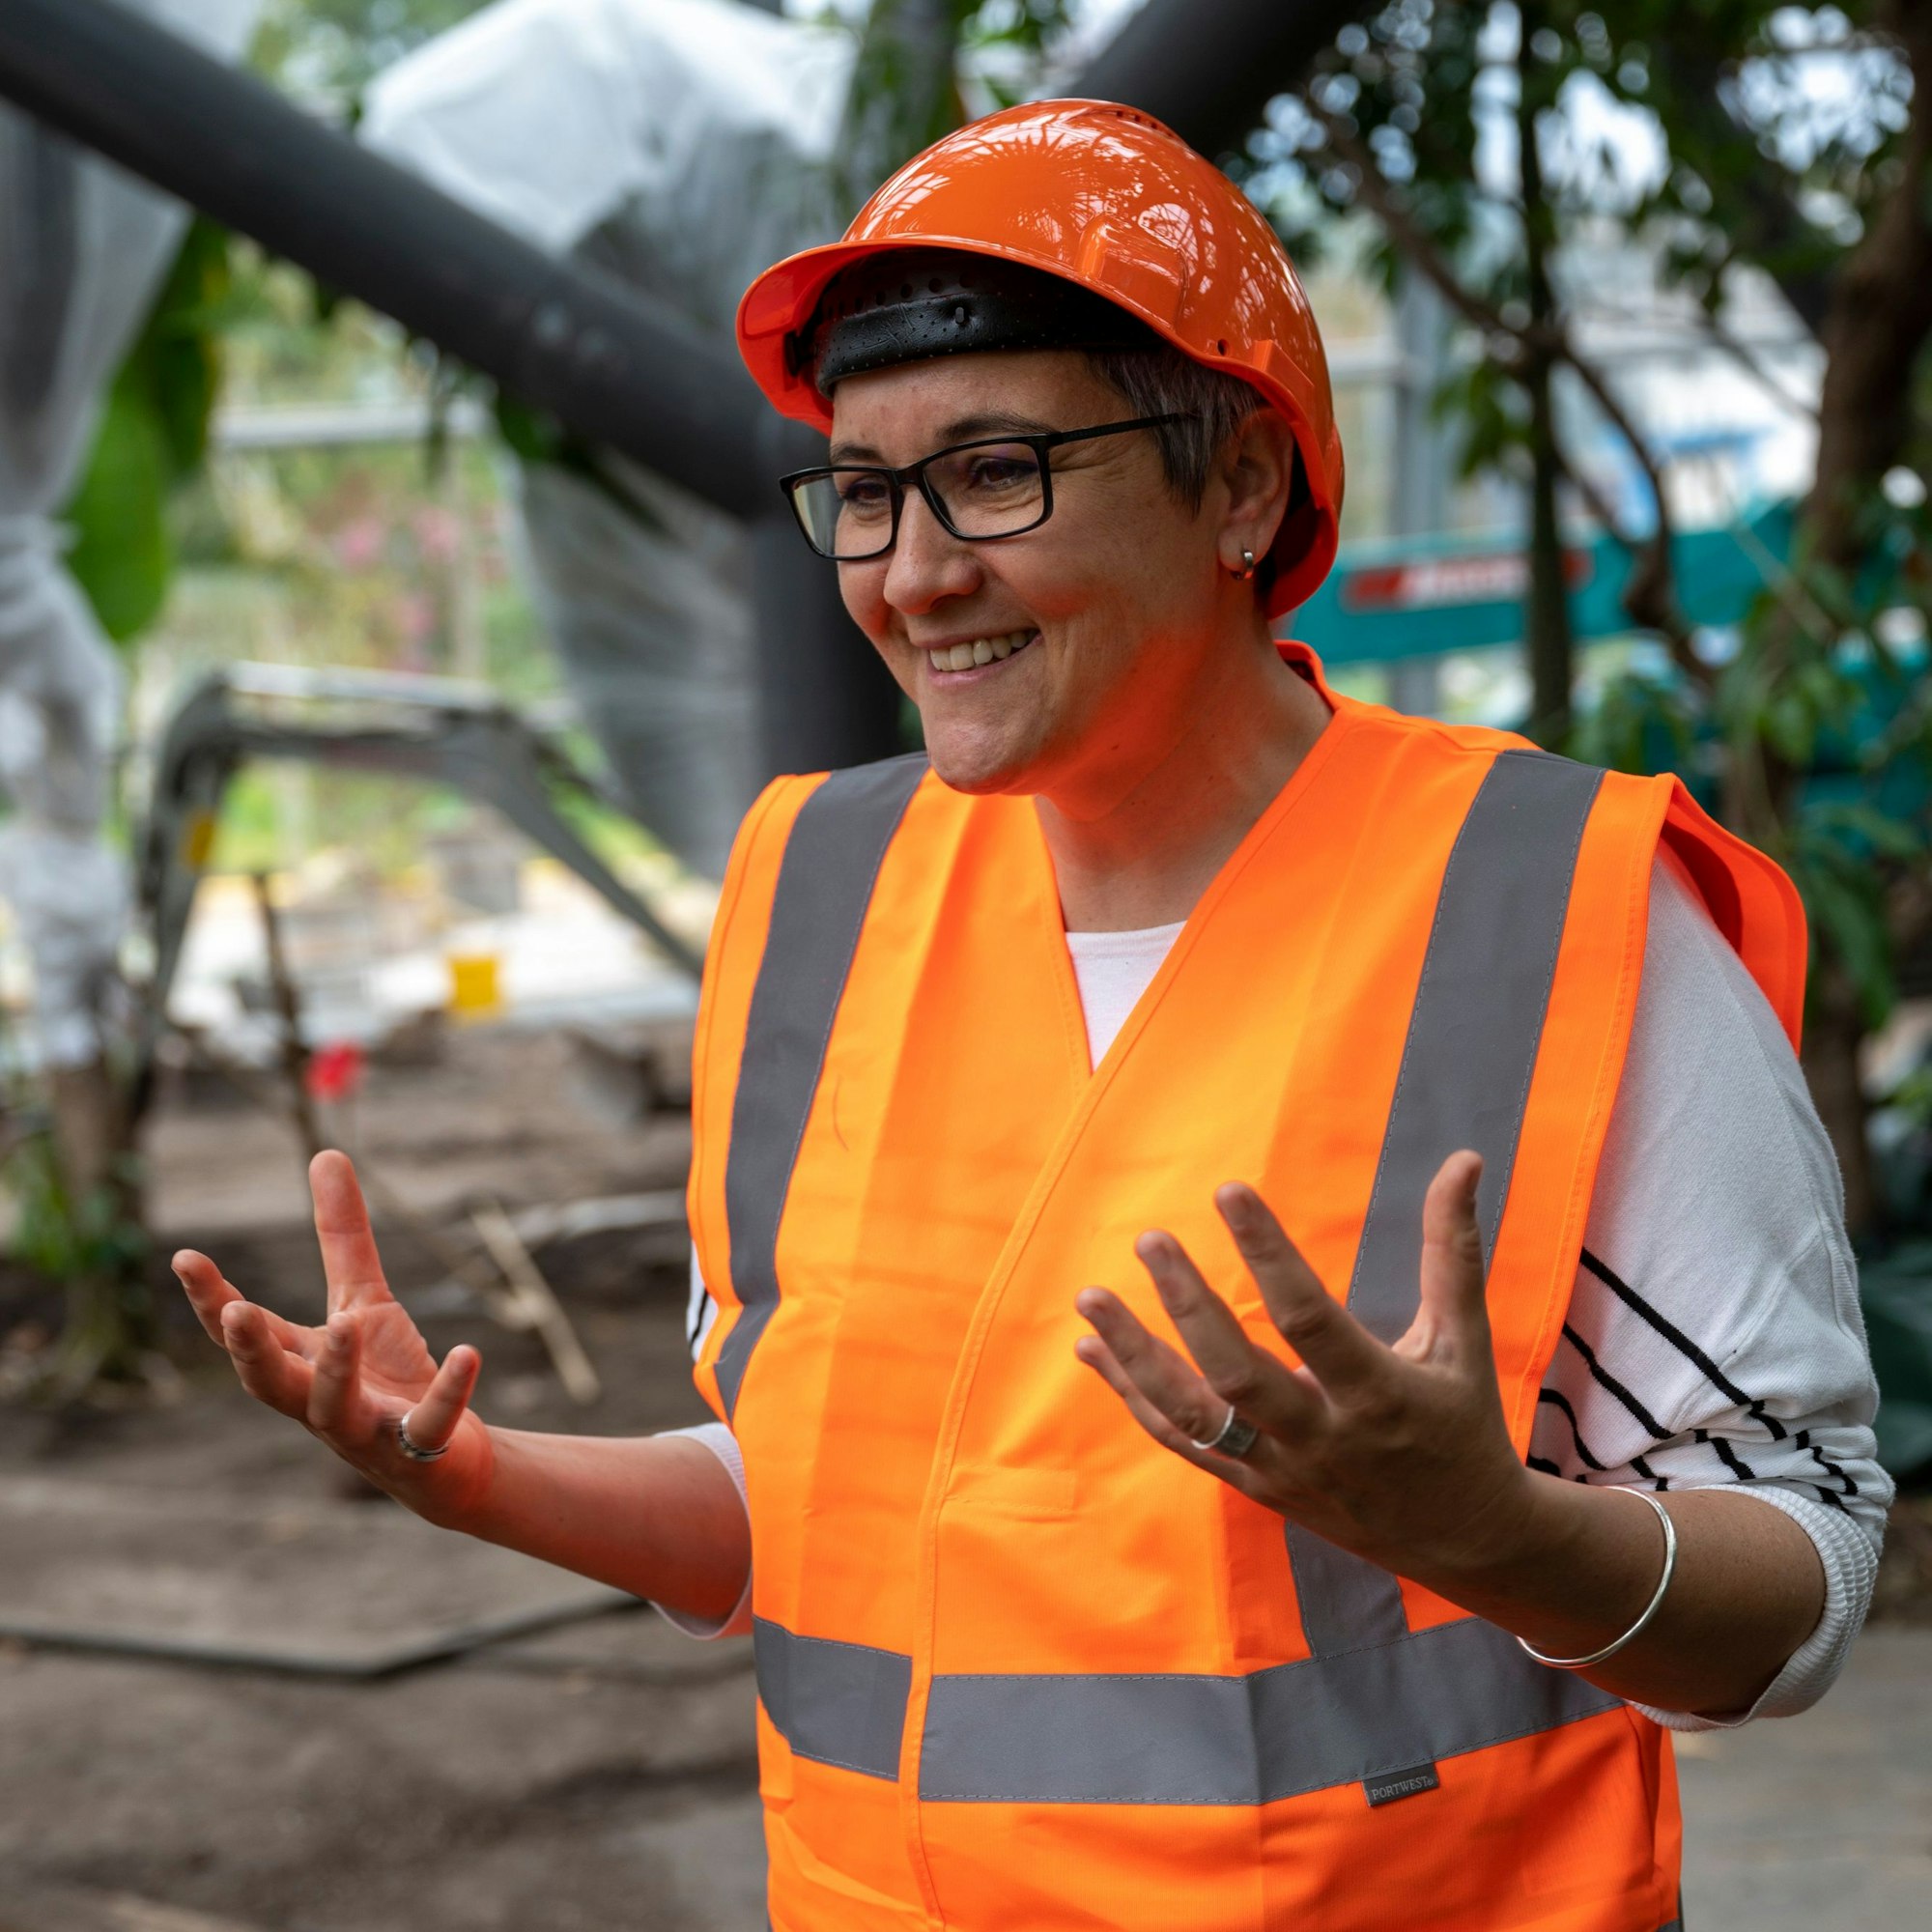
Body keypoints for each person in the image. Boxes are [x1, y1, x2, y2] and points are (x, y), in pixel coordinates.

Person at [176, 100, 1889, 1932]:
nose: (913, 573)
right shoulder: (816, 894)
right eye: (863, 487)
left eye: (999, 471)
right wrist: (481, 1478)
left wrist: (1502, 1538)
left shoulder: (1545, 913)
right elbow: (819, 1488)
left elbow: (1806, 1575)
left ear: (1239, 485)